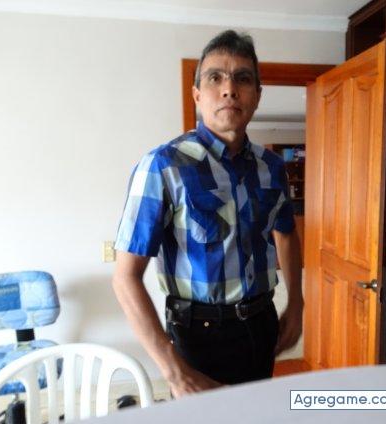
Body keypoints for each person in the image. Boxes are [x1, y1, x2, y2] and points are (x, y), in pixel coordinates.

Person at [112, 29, 303, 399]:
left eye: (242, 78)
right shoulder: (163, 166)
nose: (229, 89)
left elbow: (286, 232)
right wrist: (174, 372)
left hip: (261, 325)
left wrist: (296, 303)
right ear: (198, 94)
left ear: (257, 95)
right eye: (215, 77)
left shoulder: (272, 167)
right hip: (197, 335)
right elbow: (124, 278)